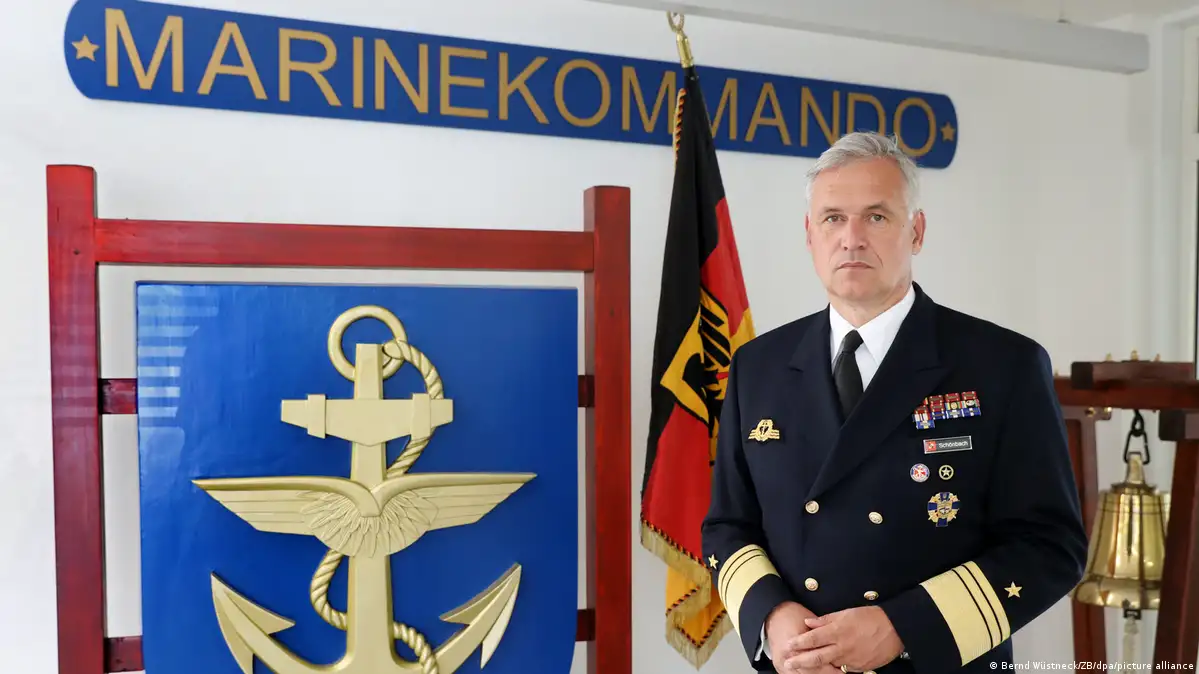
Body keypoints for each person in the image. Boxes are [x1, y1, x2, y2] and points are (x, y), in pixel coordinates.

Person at [701, 132, 1087, 674]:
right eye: (833, 218)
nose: (852, 239)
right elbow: (726, 526)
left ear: (917, 232)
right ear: (809, 234)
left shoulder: (1004, 365)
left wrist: (904, 628)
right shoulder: (757, 367)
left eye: (876, 217)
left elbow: (1051, 546)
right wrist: (772, 616)